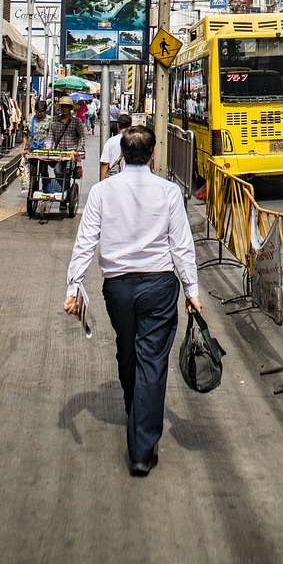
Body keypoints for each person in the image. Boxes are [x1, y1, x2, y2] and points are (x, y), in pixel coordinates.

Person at [63, 124, 202, 476]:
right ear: (153, 154)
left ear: (121, 155)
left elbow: (85, 241)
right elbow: (181, 246)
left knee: (128, 351)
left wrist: (73, 286)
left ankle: (138, 425)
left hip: (119, 289)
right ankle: (141, 448)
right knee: (149, 361)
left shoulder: (102, 191)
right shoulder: (169, 192)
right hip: (159, 286)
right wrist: (191, 291)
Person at [100, 112, 132, 179]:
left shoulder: (111, 141)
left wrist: (102, 182)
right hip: (130, 178)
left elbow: (105, 163)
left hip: (114, 178)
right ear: (130, 126)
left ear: (118, 125)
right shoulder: (135, 140)